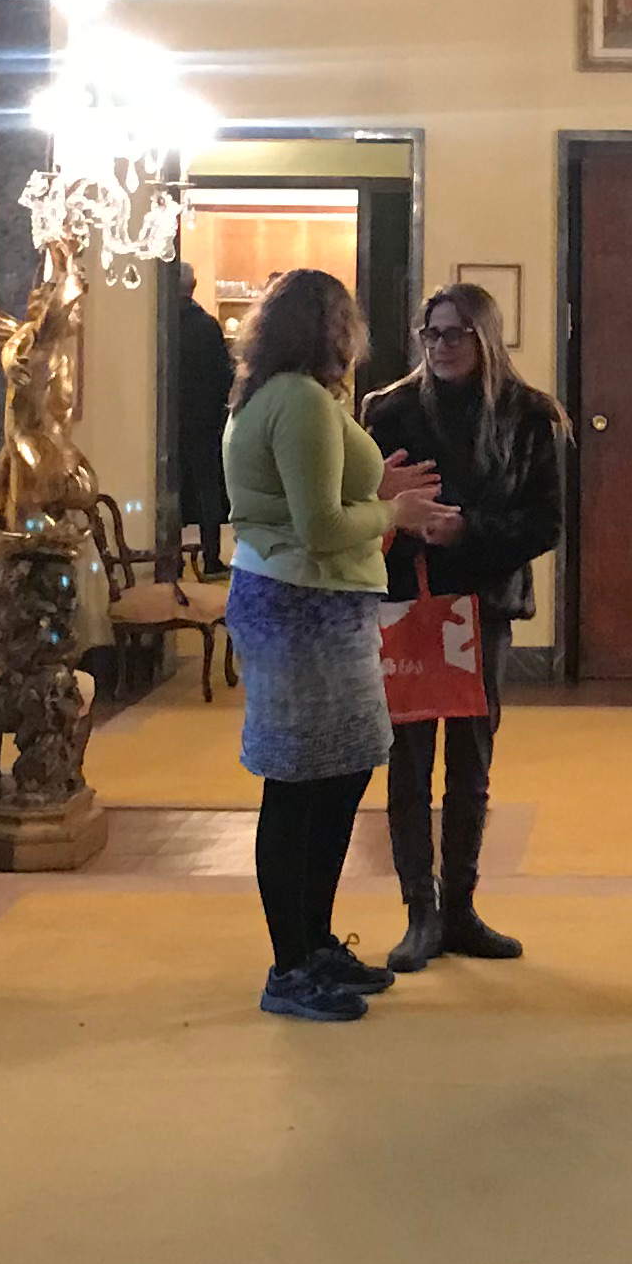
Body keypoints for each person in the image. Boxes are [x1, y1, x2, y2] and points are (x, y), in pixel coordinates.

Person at [221, 266, 447, 1022]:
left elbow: (307, 502)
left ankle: (315, 944)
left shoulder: (276, 395)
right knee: (298, 785)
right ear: (330, 327)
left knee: (339, 774)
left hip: (313, 603)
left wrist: (376, 491)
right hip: (302, 605)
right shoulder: (298, 400)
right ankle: (291, 965)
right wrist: (394, 514)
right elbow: (318, 529)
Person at [361, 281, 564, 971]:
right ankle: (418, 911)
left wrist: (468, 530)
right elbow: (360, 503)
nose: (442, 346)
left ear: (486, 336)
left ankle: (461, 907)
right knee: (408, 761)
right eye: (432, 333)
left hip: (484, 602)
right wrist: (405, 520)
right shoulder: (387, 410)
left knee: (471, 764)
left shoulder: (529, 415)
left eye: (456, 333)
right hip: (409, 601)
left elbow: (545, 522)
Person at [166, 263, 235, 577]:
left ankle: (171, 558)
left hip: (168, 421)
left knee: (170, 488)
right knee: (208, 490)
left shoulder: (163, 325)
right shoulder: (207, 326)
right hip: (204, 420)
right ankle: (211, 557)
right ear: (193, 285)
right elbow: (224, 376)